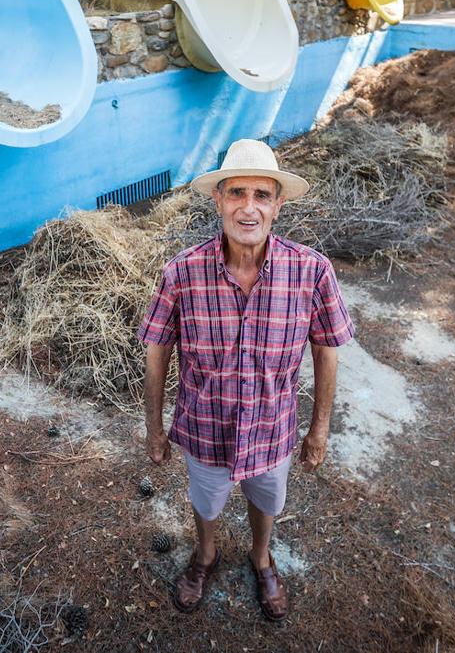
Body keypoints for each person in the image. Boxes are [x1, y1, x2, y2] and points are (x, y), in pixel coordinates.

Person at [138, 138, 354, 622]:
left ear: (278, 205)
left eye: (261, 195)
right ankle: (206, 556)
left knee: (267, 498)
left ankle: (261, 557)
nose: (248, 208)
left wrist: (319, 429)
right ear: (218, 200)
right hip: (204, 424)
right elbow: (157, 349)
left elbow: (327, 349)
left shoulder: (312, 271)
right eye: (237, 193)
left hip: (273, 424)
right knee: (206, 499)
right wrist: (154, 427)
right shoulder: (182, 271)